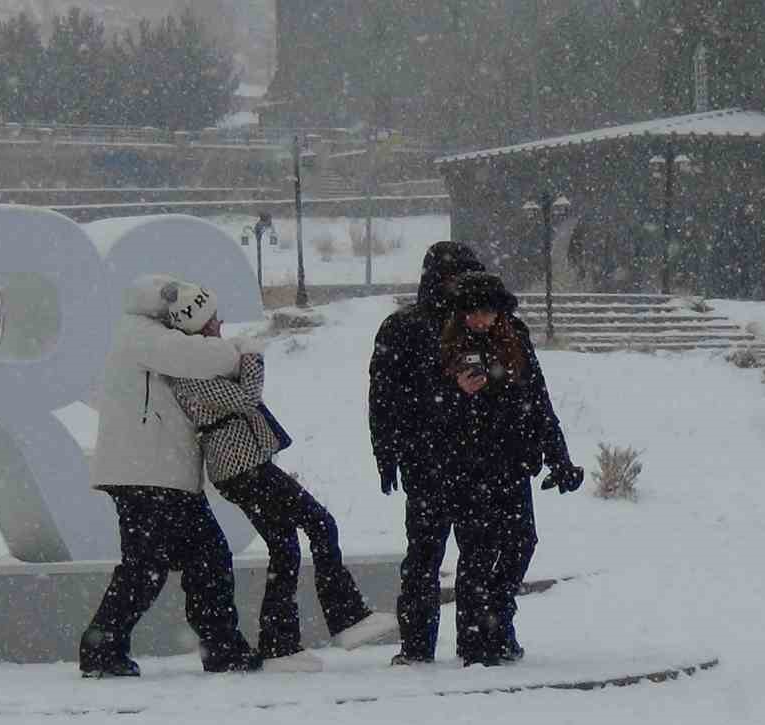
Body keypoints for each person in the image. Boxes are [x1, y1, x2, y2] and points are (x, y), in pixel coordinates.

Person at [165, 306, 399, 673]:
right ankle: (347, 617)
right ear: (198, 327)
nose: (221, 323)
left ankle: (279, 643)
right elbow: (247, 398)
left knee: (285, 547)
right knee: (321, 523)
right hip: (242, 467)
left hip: (243, 466)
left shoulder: (200, 366)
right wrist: (252, 356)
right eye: (213, 319)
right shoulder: (191, 373)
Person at [80, 275, 260, 678]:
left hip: (163, 476)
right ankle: (103, 648)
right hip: (146, 474)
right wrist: (239, 349)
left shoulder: (151, 336)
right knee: (153, 567)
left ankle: (219, 647)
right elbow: (201, 359)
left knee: (202, 561)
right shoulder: (140, 334)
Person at [436, 271, 585, 666]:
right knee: (477, 551)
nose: (480, 321)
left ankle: (498, 619)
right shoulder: (446, 343)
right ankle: (474, 640)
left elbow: (538, 400)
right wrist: (457, 393)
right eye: (473, 313)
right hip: (466, 465)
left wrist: (559, 458)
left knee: (522, 542)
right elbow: (430, 411)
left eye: (487, 312)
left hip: (512, 461)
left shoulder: (514, 338)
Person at [368, 241, 486, 665]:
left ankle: (469, 642)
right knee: (426, 556)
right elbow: (385, 398)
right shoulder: (405, 327)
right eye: (456, 277)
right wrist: (386, 454)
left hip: (466, 457)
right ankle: (422, 645)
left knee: (467, 555)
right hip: (429, 458)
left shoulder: (476, 323)